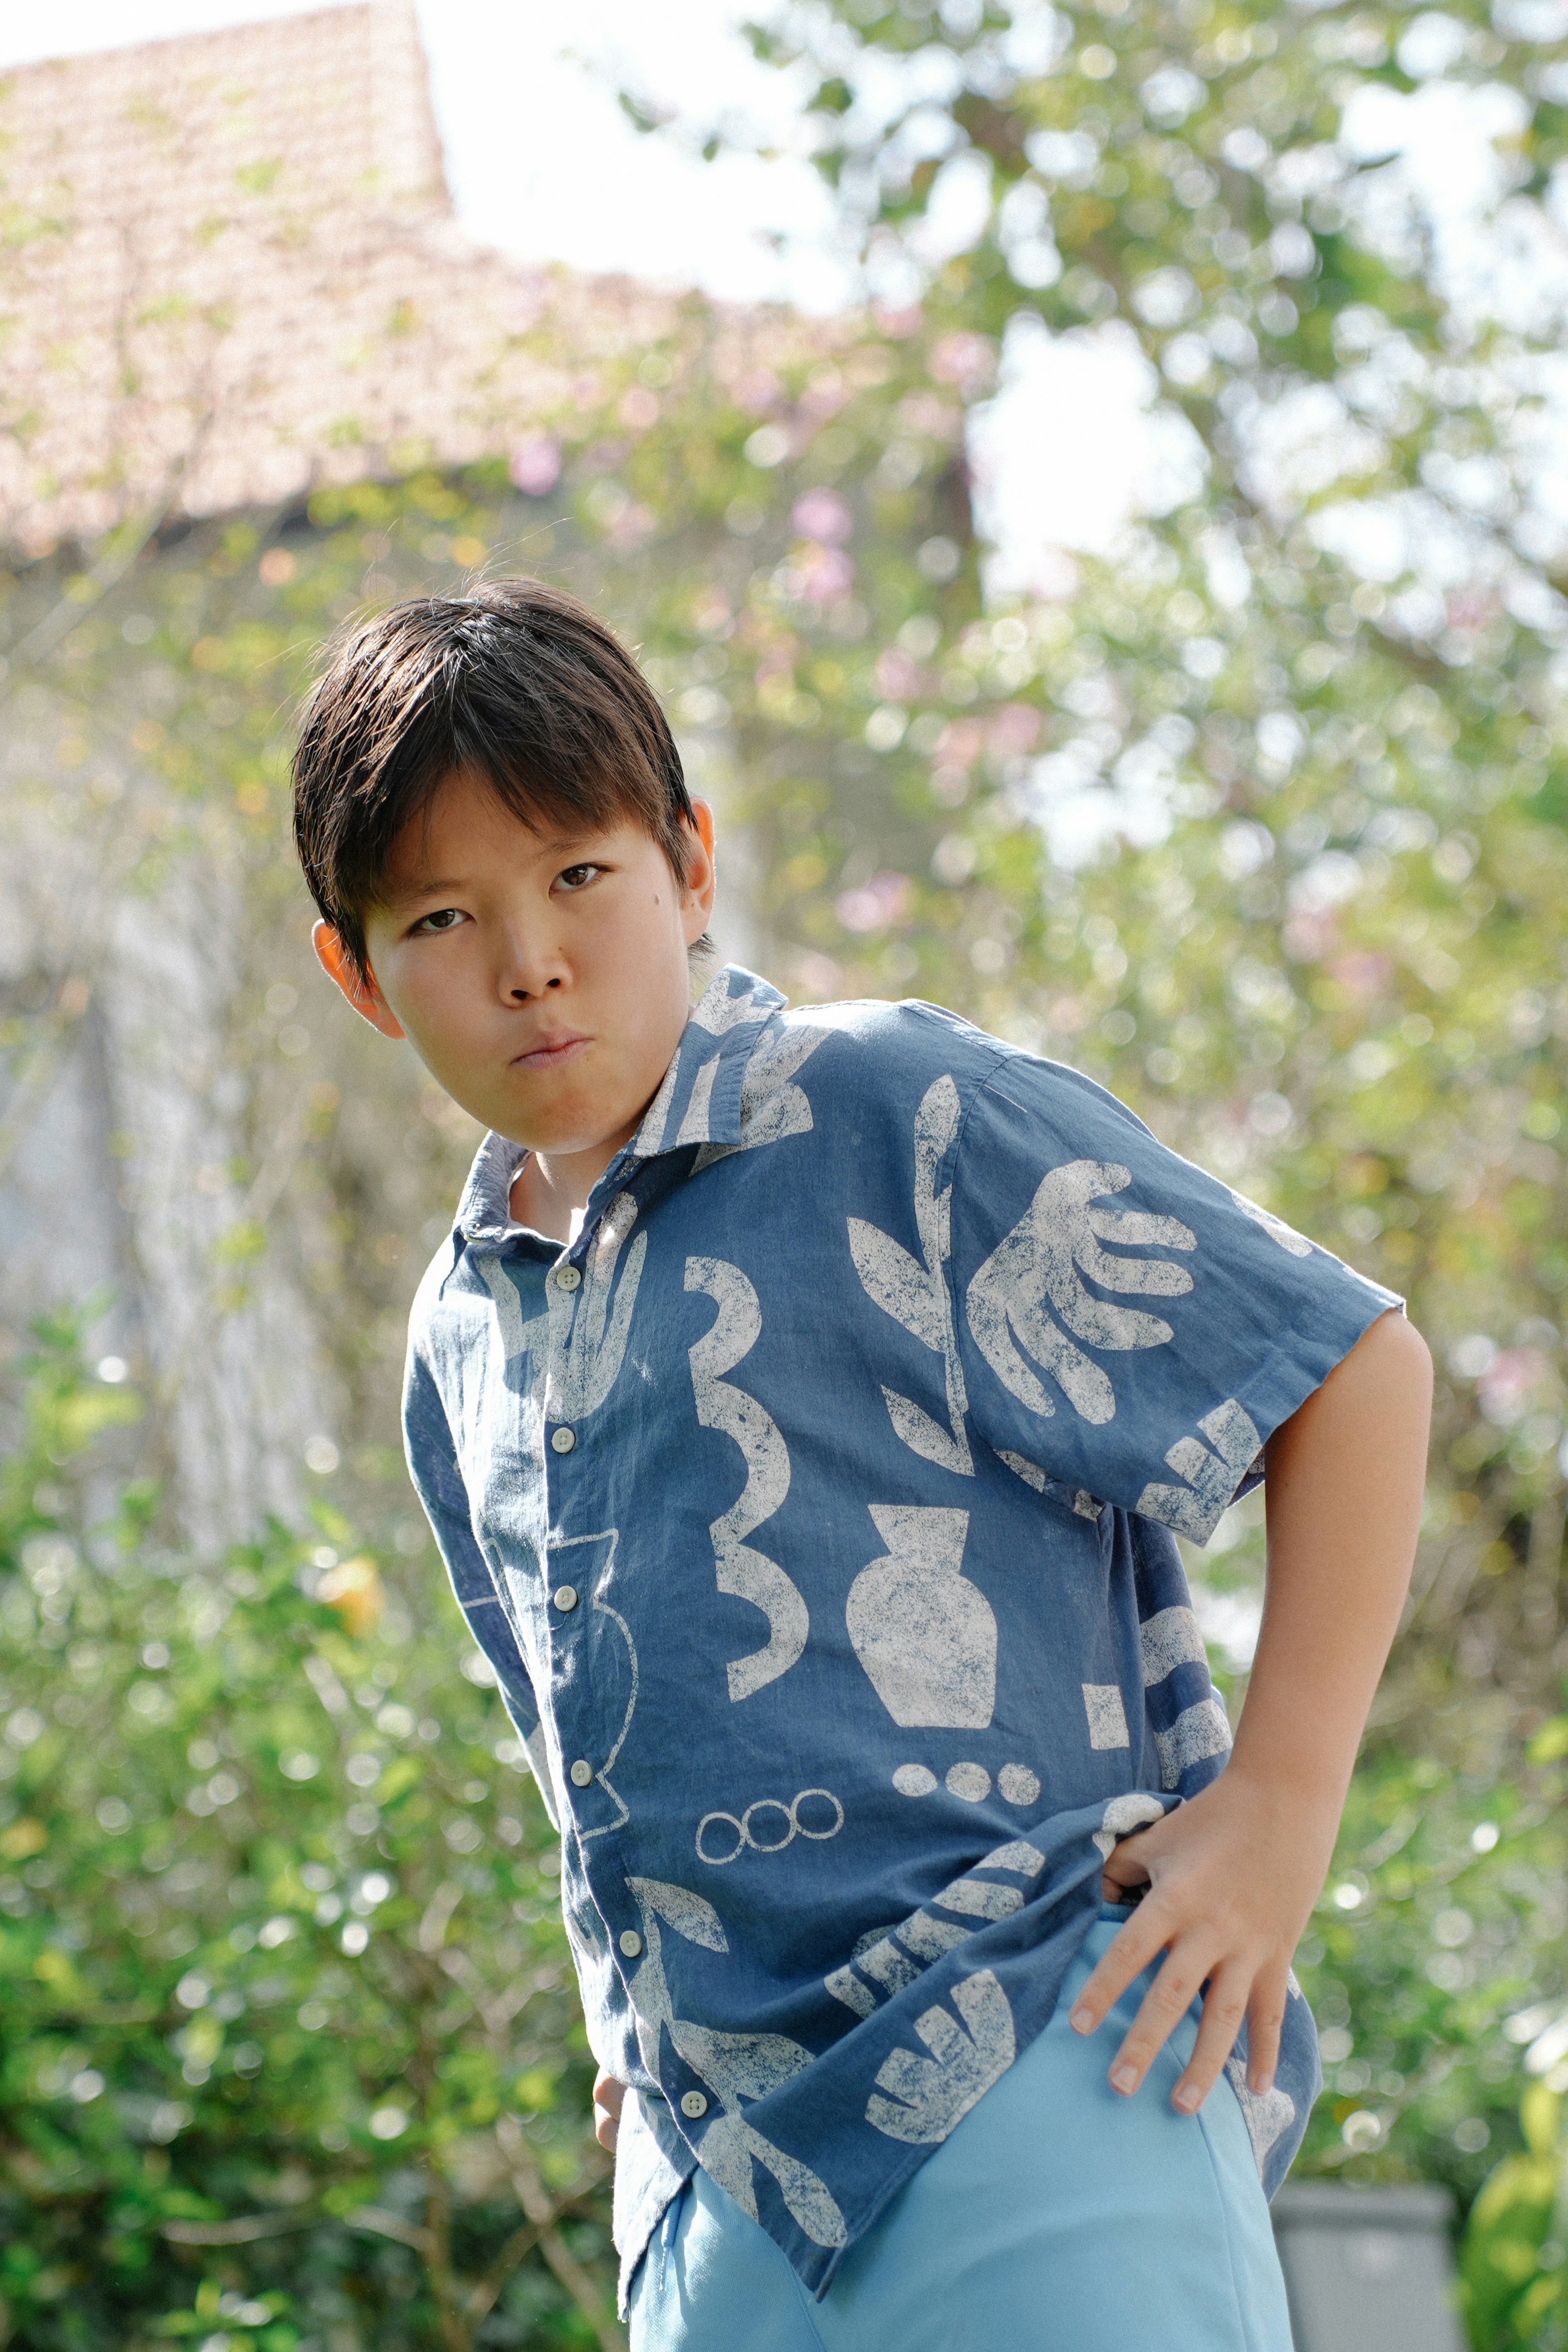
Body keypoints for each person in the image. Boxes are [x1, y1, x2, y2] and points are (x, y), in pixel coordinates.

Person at [294, 578, 1432, 2351]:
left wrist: (1276, 1821)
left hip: (1046, 2059)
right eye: (444, 913)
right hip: (719, 2193)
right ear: (358, 974)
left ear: (687, 866)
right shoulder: (462, 1326)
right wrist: (630, 2032)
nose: (529, 959)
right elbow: (573, 1736)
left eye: (579, 875)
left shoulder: (886, 1106)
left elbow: (1350, 1370)